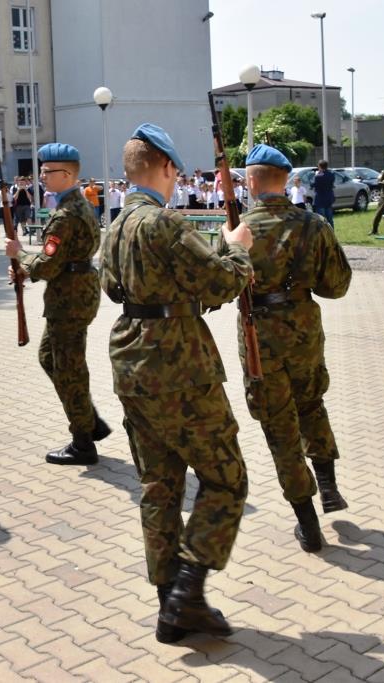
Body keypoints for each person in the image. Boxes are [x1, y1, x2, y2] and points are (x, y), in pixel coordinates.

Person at [99, 123, 252, 642]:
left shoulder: (117, 224)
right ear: (165, 167)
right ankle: (188, 591)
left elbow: (113, 287)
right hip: (180, 367)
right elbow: (221, 281)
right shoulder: (164, 222)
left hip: (132, 363)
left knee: (159, 486)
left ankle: (170, 606)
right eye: (176, 169)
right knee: (226, 479)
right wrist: (237, 248)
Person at [228, 144, 352, 553]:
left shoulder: (240, 229)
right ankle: (328, 485)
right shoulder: (314, 225)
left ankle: (308, 523)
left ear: (251, 181)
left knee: (279, 425)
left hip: (260, 335)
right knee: (311, 403)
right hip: (303, 329)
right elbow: (336, 286)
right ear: (285, 181)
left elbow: (218, 286)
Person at [4, 143, 110, 465]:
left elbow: (48, 266)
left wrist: (20, 255)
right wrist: (26, 265)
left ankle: (83, 442)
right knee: (50, 358)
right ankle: (88, 420)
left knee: (68, 369)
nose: (42, 177)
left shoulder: (66, 215)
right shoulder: (78, 205)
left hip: (69, 300)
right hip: (75, 294)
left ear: (67, 174)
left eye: (48, 172)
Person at [312, 160, 335, 228]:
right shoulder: (331, 175)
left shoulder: (318, 176)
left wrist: (316, 175)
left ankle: (322, 233)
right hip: (329, 199)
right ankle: (332, 233)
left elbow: (312, 184)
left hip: (320, 200)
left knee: (321, 220)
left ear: (319, 166)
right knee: (330, 219)